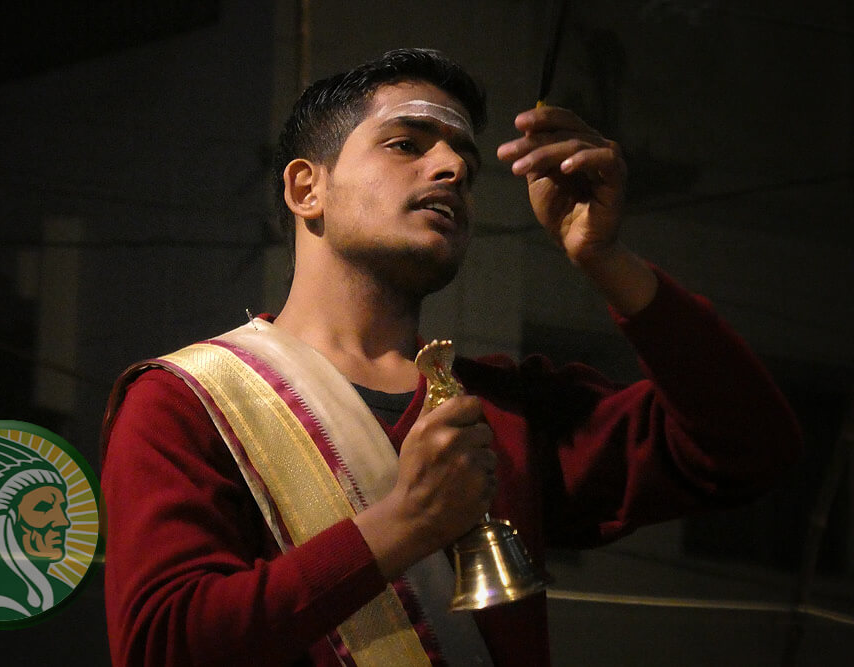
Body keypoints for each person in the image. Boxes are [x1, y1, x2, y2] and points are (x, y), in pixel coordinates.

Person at [101, 48, 801, 666]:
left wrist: (604, 257)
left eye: (464, 162)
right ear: (305, 188)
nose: (451, 167)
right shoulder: (187, 399)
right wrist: (408, 521)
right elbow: (164, 645)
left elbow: (749, 446)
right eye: (407, 143)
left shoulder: (505, 411)